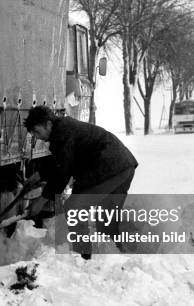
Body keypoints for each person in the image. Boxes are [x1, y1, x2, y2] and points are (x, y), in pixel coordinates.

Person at [24, 106, 138, 257]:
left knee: (74, 207)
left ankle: (83, 258)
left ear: (48, 124)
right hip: (123, 166)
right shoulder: (64, 129)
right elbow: (61, 160)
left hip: (108, 167)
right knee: (105, 221)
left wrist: (42, 199)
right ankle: (117, 258)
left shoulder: (63, 133)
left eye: (38, 132)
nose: (37, 137)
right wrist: (39, 174)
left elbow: (62, 174)